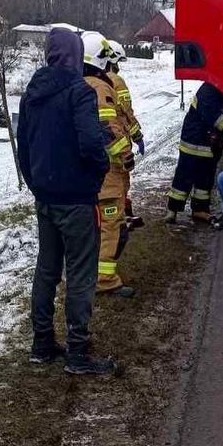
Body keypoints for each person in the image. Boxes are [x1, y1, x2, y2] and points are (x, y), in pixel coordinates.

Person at [18, 28, 115, 375]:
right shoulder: (80, 92)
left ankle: (42, 344)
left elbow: (24, 149)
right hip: (76, 199)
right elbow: (91, 145)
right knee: (81, 273)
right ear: (75, 55)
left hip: (45, 197)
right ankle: (77, 352)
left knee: (46, 270)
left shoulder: (31, 94)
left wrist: (37, 185)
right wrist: (97, 174)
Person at [82, 31, 137, 297]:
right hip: (108, 170)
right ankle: (104, 280)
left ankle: (90, 274)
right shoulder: (101, 86)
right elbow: (108, 126)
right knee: (111, 223)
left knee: (96, 226)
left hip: (88, 169)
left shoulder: (80, 83)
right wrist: (125, 154)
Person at [166, 83, 223, 224]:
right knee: (184, 176)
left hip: (209, 143)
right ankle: (172, 210)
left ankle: (200, 210)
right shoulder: (209, 91)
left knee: (205, 179)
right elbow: (218, 121)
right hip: (194, 141)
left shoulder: (221, 91)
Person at [106, 41, 144, 228]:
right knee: (120, 179)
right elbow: (126, 112)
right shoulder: (116, 81)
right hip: (118, 139)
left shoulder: (87, 79)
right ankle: (120, 217)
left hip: (100, 142)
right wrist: (137, 135)